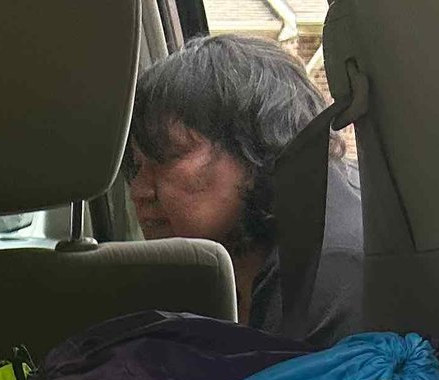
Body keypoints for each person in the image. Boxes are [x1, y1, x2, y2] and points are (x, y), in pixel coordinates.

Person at [126, 34, 362, 344]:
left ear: (256, 149)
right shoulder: (275, 262)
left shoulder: (326, 277)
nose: (139, 191)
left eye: (167, 157)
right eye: (135, 168)